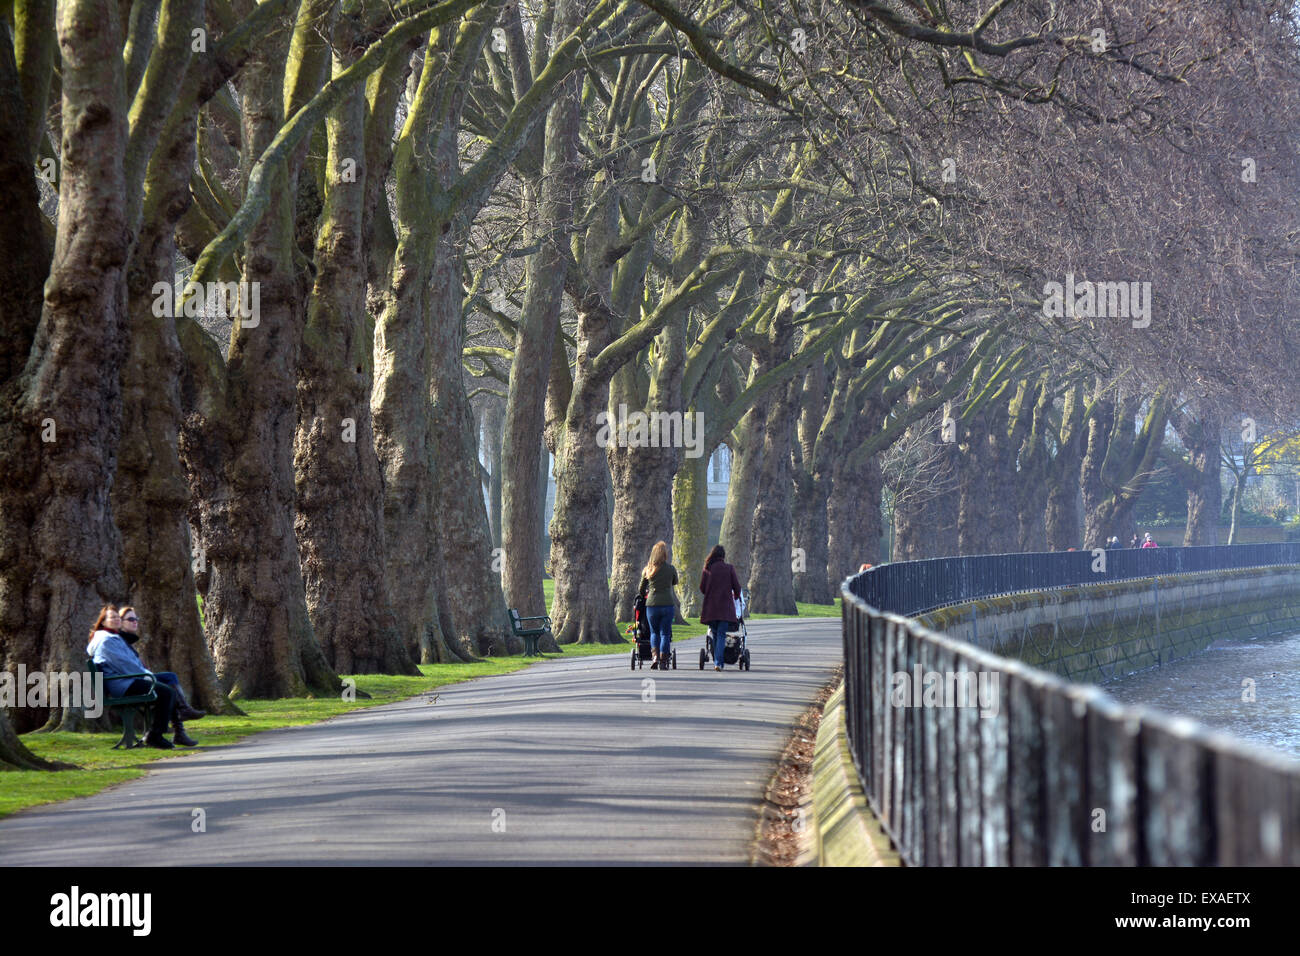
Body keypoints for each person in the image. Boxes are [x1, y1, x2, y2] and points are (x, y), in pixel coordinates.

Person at [86, 606, 188, 749]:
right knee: (166, 692)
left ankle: (178, 723)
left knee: (168, 683)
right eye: (112, 617)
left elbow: (130, 662)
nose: (116, 620)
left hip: (127, 680)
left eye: (117, 617)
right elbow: (124, 665)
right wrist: (147, 675)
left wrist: (145, 674)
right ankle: (155, 735)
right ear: (103, 622)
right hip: (122, 684)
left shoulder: (113, 637)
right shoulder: (106, 641)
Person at [119, 606, 205, 744]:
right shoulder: (119, 641)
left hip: (136, 678)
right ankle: (178, 723)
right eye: (130, 619)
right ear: (120, 622)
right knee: (168, 688)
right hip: (129, 683)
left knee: (169, 678)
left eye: (136, 619)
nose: (135, 622)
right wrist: (146, 673)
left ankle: (180, 727)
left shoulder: (127, 640)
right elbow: (126, 666)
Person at [699, 545, 742, 672]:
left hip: (711, 608)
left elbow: (702, 588)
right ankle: (718, 662)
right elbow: (737, 588)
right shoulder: (729, 568)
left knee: (716, 634)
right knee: (721, 634)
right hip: (725, 608)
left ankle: (717, 660)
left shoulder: (707, 569)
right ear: (723, 556)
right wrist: (736, 596)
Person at [638, 541, 678, 670]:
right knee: (665, 633)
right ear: (665, 554)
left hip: (652, 605)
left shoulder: (648, 570)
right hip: (667, 604)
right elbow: (675, 581)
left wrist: (646, 593)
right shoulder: (670, 569)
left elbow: (641, 589)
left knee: (654, 633)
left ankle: (654, 657)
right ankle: (664, 659)